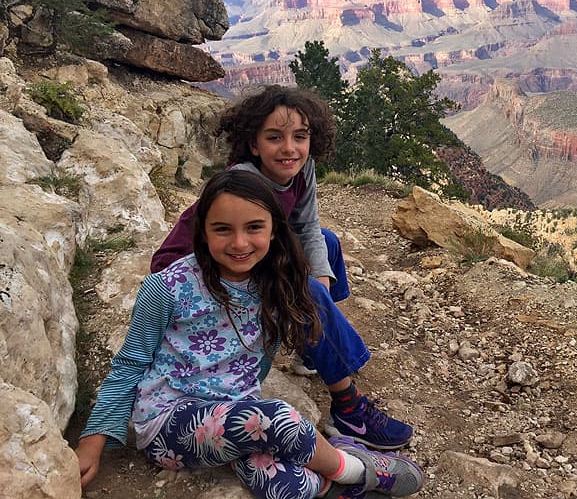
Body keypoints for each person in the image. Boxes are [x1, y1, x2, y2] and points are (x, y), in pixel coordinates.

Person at [75, 170, 424, 499]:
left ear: (274, 230)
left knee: (274, 483)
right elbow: (129, 365)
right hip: (169, 422)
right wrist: (92, 441)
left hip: (237, 412)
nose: (239, 243)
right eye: (223, 229)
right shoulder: (167, 287)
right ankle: (357, 471)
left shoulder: (277, 283)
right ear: (203, 232)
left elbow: (260, 358)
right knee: (276, 418)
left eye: (254, 227)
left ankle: (328, 481)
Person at [150, 85, 413, 451]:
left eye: (300, 137)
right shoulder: (248, 184)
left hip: (249, 255)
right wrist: (311, 289)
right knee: (303, 291)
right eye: (275, 137)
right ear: (254, 144)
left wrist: (321, 275)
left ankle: (314, 345)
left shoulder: (301, 171)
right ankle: (348, 409)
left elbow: (306, 226)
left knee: (328, 244)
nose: (289, 148)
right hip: (206, 274)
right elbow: (233, 250)